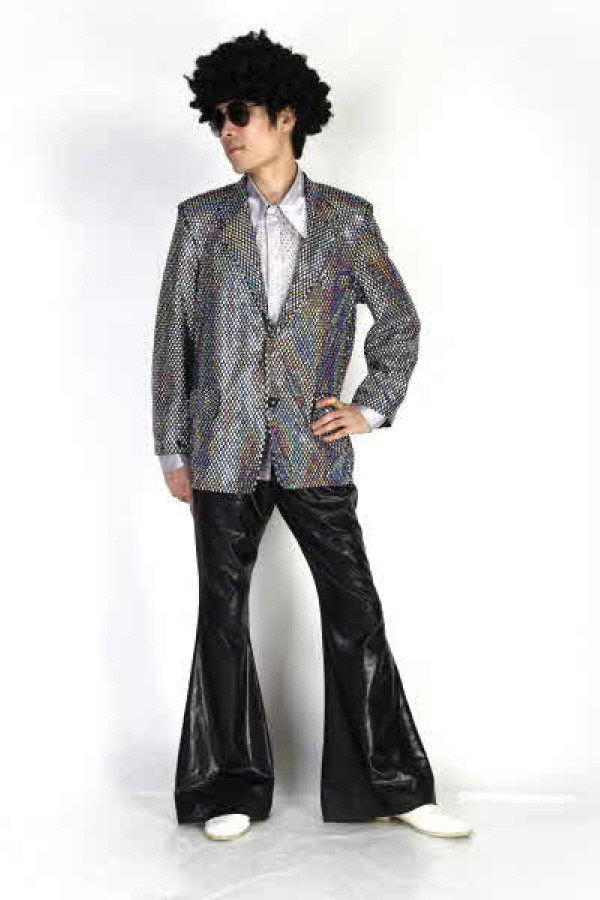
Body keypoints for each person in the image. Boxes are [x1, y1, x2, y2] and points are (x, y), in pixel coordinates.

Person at [151, 28, 473, 842]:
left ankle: (393, 784)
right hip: (221, 448)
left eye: (239, 113)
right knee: (222, 615)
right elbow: (172, 339)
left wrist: (371, 406)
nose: (226, 131)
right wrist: (172, 447)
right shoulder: (200, 222)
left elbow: (397, 321)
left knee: (355, 609)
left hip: (311, 447)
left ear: (286, 116)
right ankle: (229, 788)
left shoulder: (347, 221)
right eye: (217, 118)